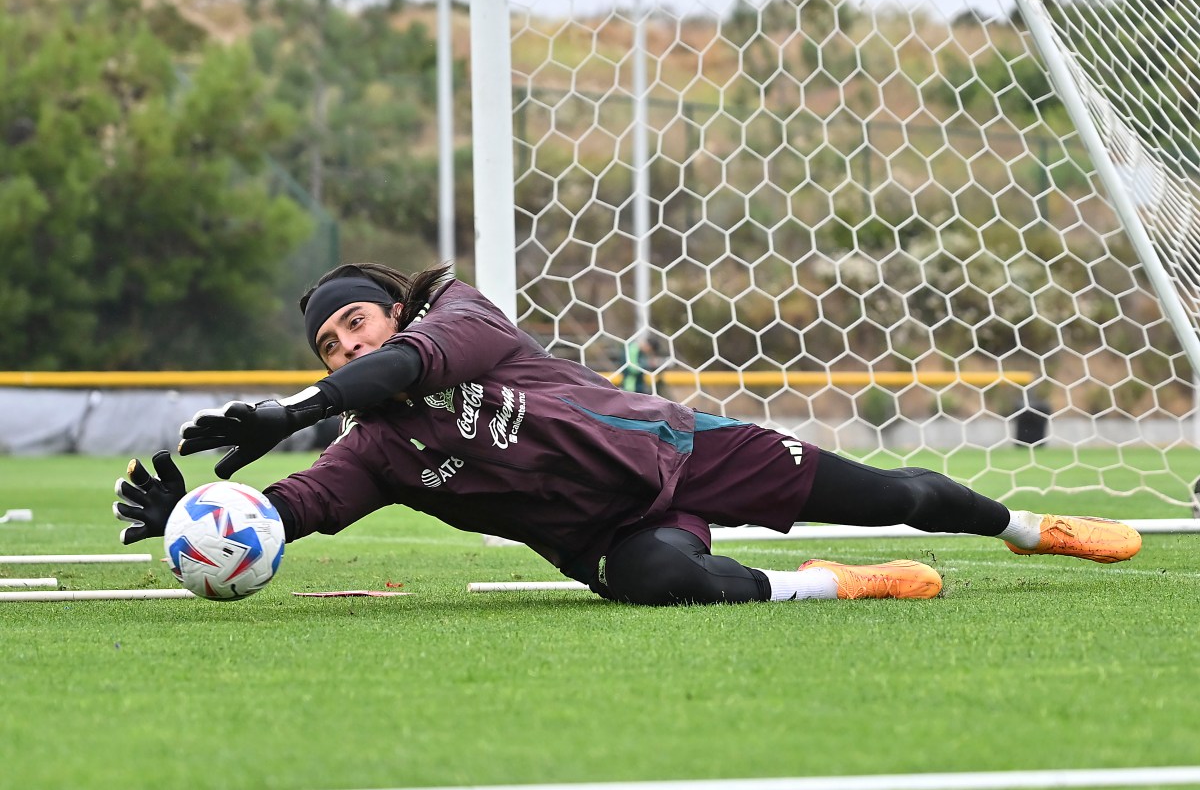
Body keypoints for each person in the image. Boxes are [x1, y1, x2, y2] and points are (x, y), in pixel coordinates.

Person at [113, 263, 1142, 605]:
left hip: (683, 449)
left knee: (899, 494)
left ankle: (1028, 527)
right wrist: (201, 521)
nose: (348, 344)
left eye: (354, 323)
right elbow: (296, 506)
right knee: (663, 582)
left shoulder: (461, 319)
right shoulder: (374, 447)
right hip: (606, 534)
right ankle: (829, 583)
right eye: (329, 344)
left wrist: (294, 406)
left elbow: (412, 365)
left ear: (390, 309)